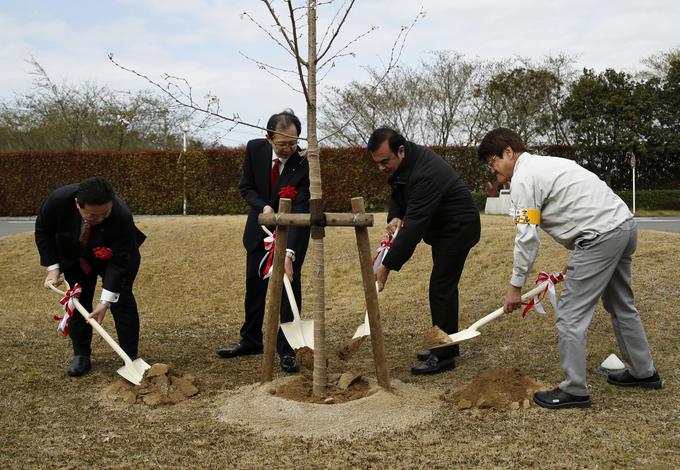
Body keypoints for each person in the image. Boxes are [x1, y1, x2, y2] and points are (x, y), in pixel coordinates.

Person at [478, 127, 662, 409]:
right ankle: (643, 371)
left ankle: (574, 389)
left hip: (599, 237)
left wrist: (515, 287)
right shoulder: (549, 164)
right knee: (621, 304)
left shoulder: (524, 179)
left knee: (570, 314)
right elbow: (579, 203)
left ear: (508, 152)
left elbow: (527, 238)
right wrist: (584, 252)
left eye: (493, 162)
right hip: (622, 226)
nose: (493, 171)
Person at [367, 127, 481, 375]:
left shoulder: (424, 173)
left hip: (458, 227)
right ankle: (445, 345)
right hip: (442, 228)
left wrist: (387, 265)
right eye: (377, 163)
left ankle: (444, 355)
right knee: (442, 286)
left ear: (400, 150)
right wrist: (395, 216)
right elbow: (398, 193)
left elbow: (415, 227)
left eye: (384, 161)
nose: (381, 168)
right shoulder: (405, 162)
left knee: (441, 286)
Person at [217, 110, 310, 373]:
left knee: (288, 292)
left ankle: (288, 349)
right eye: (282, 144)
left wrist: (290, 254)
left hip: (289, 234)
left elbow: (302, 208)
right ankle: (250, 340)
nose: (288, 149)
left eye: (293, 143)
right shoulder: (254, 150)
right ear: (269, 138)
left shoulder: (304, 163)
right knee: (254, 288)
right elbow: (246, 187)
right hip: (259, 232)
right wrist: (263, 209)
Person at [35, 176, 146, 377]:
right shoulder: (57, 202)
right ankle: (81, 355)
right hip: (74, 255)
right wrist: (53, 268)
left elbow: (120, 262)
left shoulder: (121, 216)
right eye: (93, 215)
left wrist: (105, 302)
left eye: (106, 212)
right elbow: (43, 232)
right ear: (78, 205)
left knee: (122, 299)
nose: (101, 218)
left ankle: (130, 356)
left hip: (114, 256)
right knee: (79, 300)